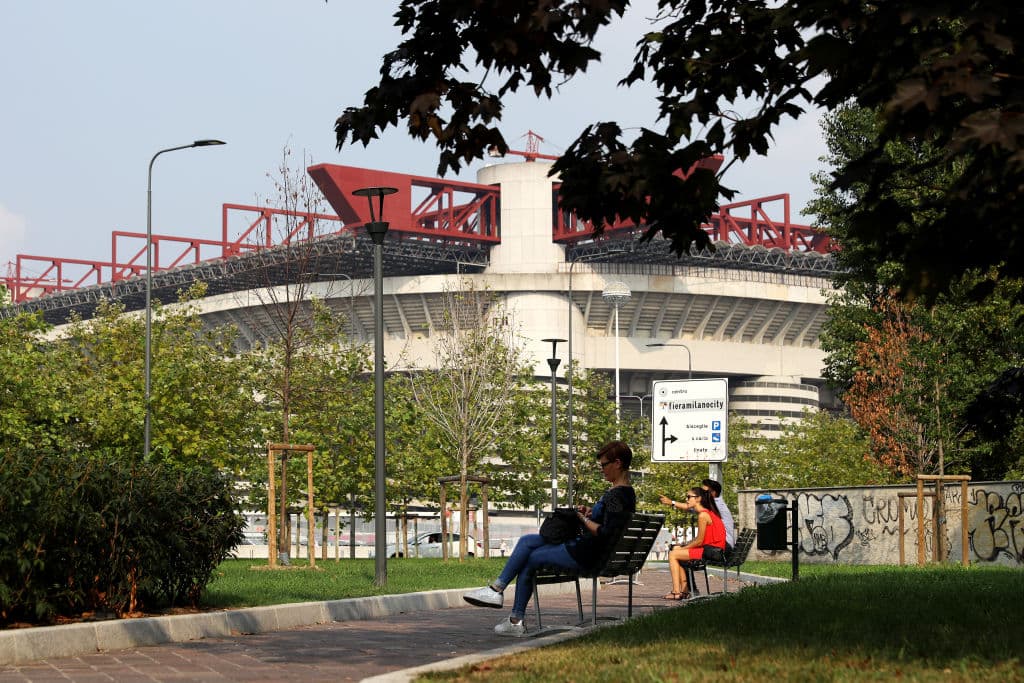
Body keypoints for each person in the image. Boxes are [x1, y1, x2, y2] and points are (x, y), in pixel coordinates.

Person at [462, 440, 636, 636]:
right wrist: (590, 512)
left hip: (589, 555)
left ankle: (513, 617)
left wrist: (581, 518)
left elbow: (606, 532)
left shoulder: (616, 495)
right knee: (528, 541)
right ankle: (497, 592)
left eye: (604, 465)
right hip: (596, 552)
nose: (602, 470)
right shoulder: (625, 493)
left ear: (617, 463)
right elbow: (611, 522)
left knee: (530, 557)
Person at [658, 487, 726, 599]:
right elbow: (700, 540)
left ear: (698, 499)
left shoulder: (703, 515)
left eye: (689, 497)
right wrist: (683, 547)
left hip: (712, 551)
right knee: (676, 551)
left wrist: (683, 548)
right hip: (712, 550)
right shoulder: (706, 512)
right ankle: (684, 591)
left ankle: (676, 592)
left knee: (673, 554)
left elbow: (699, 541)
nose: (686, 499)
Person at [701, 478, 736, 549]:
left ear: (713, 493)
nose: (701, 494)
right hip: (720, 543)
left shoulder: (716, 505)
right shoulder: (715, 504)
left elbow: (692, 508)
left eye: (704, 492)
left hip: (723, 545)